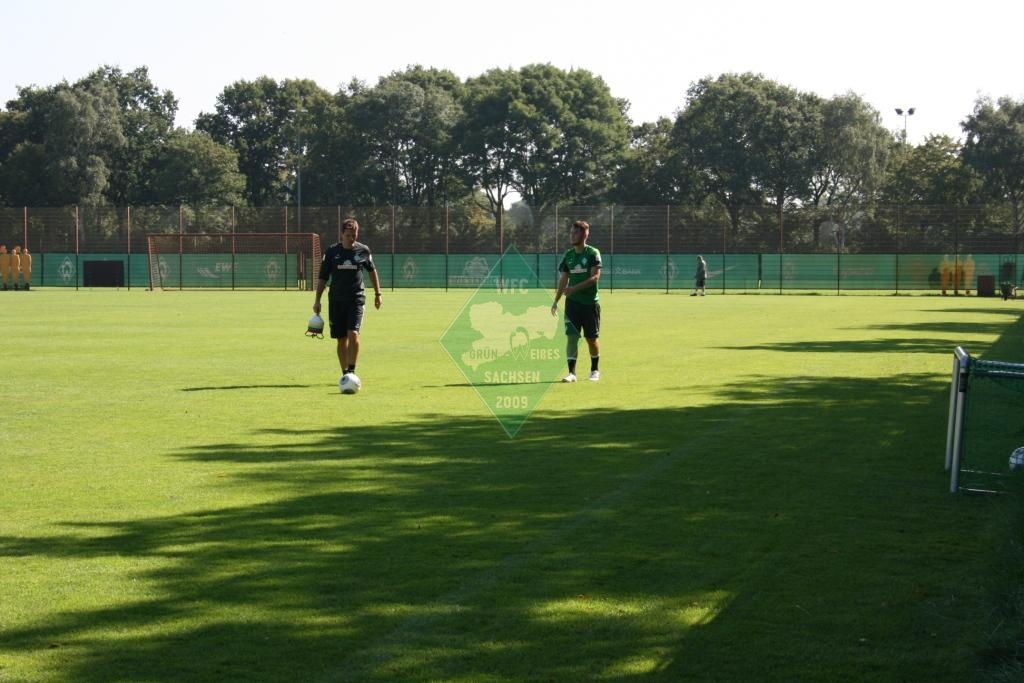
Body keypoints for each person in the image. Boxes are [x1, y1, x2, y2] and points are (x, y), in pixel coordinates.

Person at [313, 218, 383, 386]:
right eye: (348, 235)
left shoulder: (362, 251)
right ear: (342, 234)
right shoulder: (332, 252)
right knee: (341, 339)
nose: (352, 238)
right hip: (336, 300)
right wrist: (317, 300)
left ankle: (351, 371)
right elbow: (323, 277)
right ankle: (345, 374)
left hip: (356, 299)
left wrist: (378, 294)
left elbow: (372, 271)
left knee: (353, 334)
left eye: (354, 235)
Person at [551, 220, 602, 382]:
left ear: (584, 235)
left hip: (590, 303)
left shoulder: (592, 253)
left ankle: (594, 370)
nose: (572, 235)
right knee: (572, 337)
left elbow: (595, 277)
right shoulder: (568, 255)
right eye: (571, 232)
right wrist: (556, 301)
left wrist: (574, 288)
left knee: (591, 339)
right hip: (572, 304)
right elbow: (563, 279)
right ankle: (572, 373)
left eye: (575, 232)